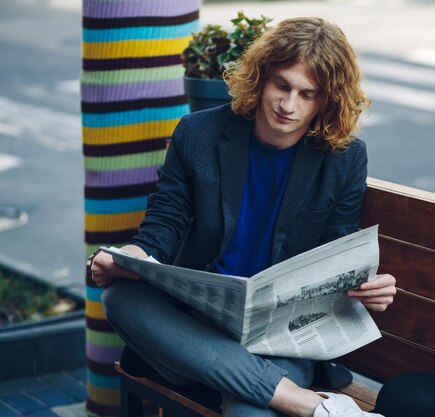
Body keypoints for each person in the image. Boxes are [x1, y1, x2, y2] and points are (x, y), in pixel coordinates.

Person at [89, 17, 397, 417]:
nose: (289, 106)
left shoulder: (343, 158)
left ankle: (219, 373)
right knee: (120, 297)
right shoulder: (198, 134)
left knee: (250, 413)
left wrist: (368, 286)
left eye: (308, 94)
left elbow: (336, 252)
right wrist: (128, 256)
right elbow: (164, 222)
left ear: (326, 100)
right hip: (197, 322)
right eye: (282, 86)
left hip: (278, 337)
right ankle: (306, 404)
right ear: (261, 77)